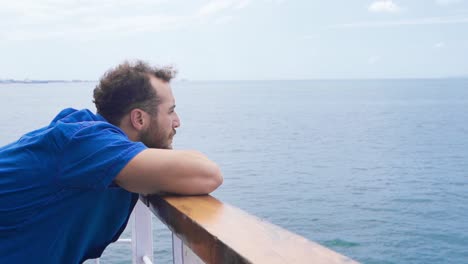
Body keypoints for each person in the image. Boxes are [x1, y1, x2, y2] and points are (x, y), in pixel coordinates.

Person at [0, 60, 223, 263]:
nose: (177, 122)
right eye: (171, 111)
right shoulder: (87, 144)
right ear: (139, 119)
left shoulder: (82, 132)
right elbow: (208, 175)